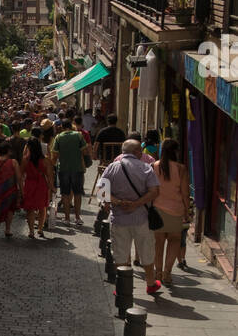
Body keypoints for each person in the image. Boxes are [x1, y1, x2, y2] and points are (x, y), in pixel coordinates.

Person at [100, 140, 162, 295]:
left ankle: (122, 287)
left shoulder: (112, 167)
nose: (142, 153)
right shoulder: (146, 168)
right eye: (140, 150)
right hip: (142, 219)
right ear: (136, 152)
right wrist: (136, 204)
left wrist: (118, 202)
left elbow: (102, 192)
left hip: (119, 219)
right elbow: (154, 192)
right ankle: (150, 283)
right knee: (146, 252)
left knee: (120, 254)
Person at [151, 140, 191, 287]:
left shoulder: (154, 166)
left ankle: (158, 273)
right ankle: (167, 273)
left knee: (158, 243)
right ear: (175, 151)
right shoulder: (181, 169)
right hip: (176, 210)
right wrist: (187, 211)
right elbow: (185, 193)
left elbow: (151, 189)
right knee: (174, 241)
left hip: (157, 210)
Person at [51, 119, 91, 226]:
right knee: (77, 193)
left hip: (63, 169)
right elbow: (85, 151)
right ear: (71, 126)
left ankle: (67, 218)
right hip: (77, 168)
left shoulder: (58, 137)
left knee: (65, 194)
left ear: (62, 127)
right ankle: (77, 217)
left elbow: (55, 155)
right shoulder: (78, 135)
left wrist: (52, 167)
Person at [22, 136, 52, 239]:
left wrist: (20, 188)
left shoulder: (25, 160)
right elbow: (49, 176)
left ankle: (31, 231)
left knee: (30, 209)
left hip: (29, 184)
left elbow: (21, 174)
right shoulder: (45, 160)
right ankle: (40, 228)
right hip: (41, 185)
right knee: (42, 208)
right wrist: (52, 187)